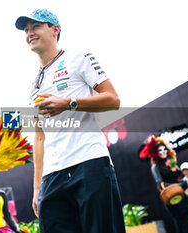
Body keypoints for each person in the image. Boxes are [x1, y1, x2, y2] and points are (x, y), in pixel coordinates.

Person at [15, 9, 125, 233]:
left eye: (35, 26)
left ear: (55, 29)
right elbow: (39, 137)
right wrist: (37, 187)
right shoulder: (32, 84)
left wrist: (68, 103)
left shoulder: (78, 57)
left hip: (90, 163)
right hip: (52, 177)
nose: (29, 33)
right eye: (26, 30)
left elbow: (113, 99)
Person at [139, 135, 188, 233]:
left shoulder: (171, 162)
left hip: (183, 196)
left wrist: (182, 184)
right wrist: (177, 186)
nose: (163, 152)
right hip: (172, 197)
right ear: (155, 152)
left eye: (164, 149)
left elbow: (181, 178)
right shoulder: (156, 167)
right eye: (160, 150)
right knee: (181, 222)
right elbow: (160, 184)